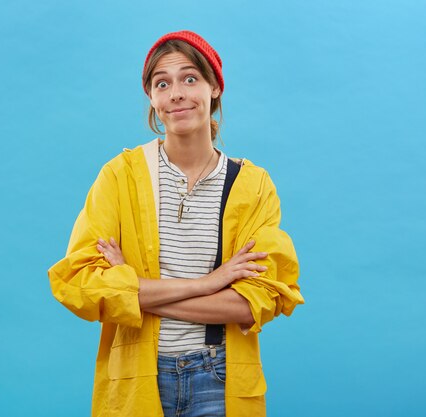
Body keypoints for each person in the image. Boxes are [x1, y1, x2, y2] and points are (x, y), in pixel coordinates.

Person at [48, 30, 304, 417]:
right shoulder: (120, 177)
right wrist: (209, 283)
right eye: (161, 83)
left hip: (219, 377)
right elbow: (82, 286)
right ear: (151, 98)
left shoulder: (252, 186)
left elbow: (254, 303)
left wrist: (134, 289)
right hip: (138, 377)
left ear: (214, 87)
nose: (176, 93)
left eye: (190, 78)